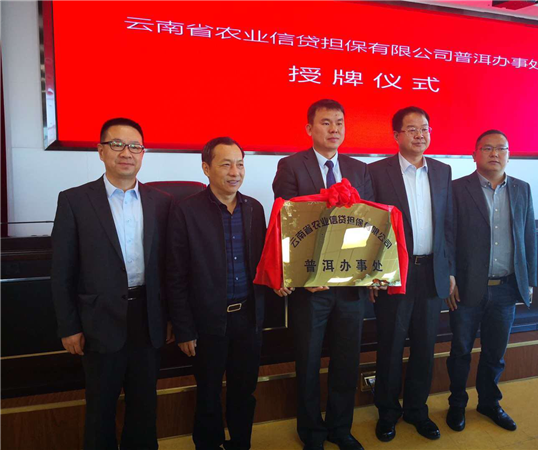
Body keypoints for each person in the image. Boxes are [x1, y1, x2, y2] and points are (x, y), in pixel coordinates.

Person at [52, 117, 173, 450]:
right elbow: (62, 270)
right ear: (101, 150)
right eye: (117, 144)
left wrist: (170, 318)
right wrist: (69, 326)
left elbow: (169, 267)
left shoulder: (162, 202)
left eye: (135, 146)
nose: (126, 152)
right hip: (98, 321)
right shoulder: (75, 201)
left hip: (147, 318)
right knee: (100, 409)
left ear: (143, 153)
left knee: (144, 407)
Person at [272, 99, 374, 450]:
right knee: (309, 360)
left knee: (346, 360)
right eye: (326, 122)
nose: (334, 129)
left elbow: (367, 224)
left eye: (339, 123)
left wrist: (366, 271)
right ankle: (312, 432)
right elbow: (286, 222)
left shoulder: (359, 169)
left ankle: (340, 428)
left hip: (350, 285)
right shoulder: (291, 166)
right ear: (309, 128)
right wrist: (302, 275)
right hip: (310, 288)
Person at [167, 137, 267, 450]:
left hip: (247, 318)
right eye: (226, 164)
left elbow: (265, 263)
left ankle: (240, 444)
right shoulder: (186, 211)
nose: (235, 172)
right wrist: (184, 328)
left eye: (240, 164)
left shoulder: (254, 208)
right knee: (208, 393)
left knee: (244, 391)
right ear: (206, 168)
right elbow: (175, 275)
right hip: (207, 321)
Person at [368, 106, 454, 442]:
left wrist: (449, 270)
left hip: (432, 271)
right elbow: (368, 225)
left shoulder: (443, 171)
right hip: (394, 274)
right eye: (413, 129)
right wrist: (372, 273)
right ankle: (387, 412)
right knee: (390, 346)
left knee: (425, 346)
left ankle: (417, 410)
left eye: (425, 128)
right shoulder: (376, 172)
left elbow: (448, 224)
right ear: (397, 135)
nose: (421, 135)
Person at [445, 130, 537, 432]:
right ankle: (457, 404)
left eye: (501, 148)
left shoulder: (522, 189)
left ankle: (489, 403)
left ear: (509, 155)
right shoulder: (457, 189)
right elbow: (448, 236)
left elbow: (528, 236)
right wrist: (450, 276)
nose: (495, 153)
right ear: (474, 155)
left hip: (506, 287)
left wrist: (529, 280)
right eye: (487, 148)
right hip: (467, 288)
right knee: (460, 351)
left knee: (495, 353)